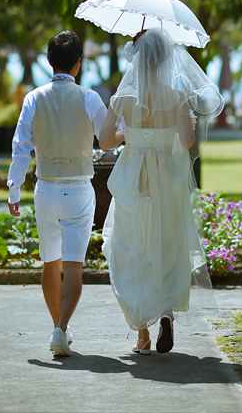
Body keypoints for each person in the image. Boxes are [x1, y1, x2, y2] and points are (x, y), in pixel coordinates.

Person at [98, 28, 223, 354]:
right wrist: (186, 127)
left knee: (131, 246)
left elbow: (105, 140)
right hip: (167, 178)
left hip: (134, 178)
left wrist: (132, 134)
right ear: (167, 59)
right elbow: (186, 142)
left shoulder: (123, 98)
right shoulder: (177, 95)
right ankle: (166, 313)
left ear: (135, 59)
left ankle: (142, 332)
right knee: (167, 244)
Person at [6, 30, 108, 358]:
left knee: (51, 262)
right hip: (79, 187)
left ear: (50, 62)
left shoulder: (34, 98)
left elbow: (20, 146)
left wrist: (12, 189)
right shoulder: (90, 98)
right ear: (78, 63)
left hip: (46, 187)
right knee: (75, 265)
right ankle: (60, 328)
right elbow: (107, 137)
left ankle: (57, 329)